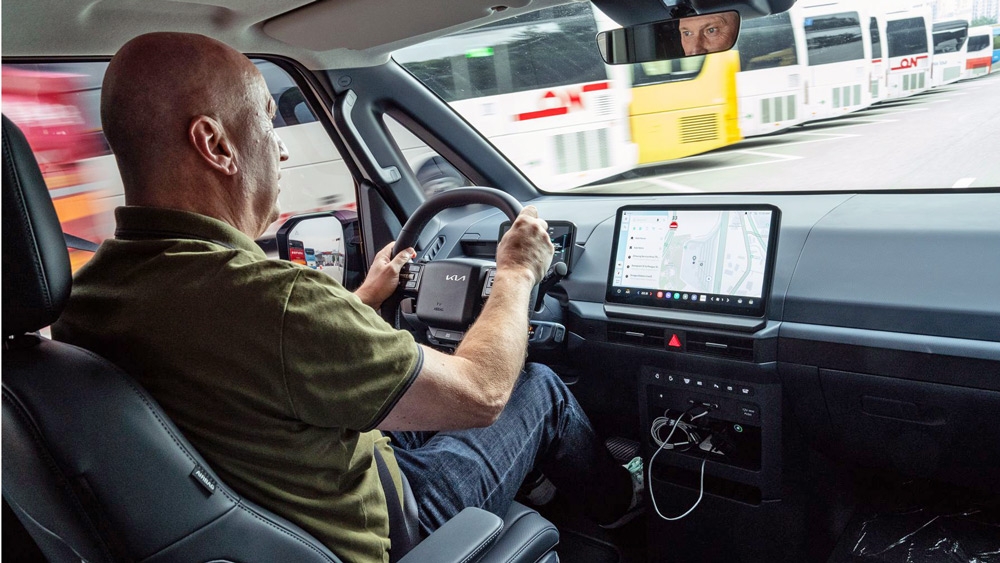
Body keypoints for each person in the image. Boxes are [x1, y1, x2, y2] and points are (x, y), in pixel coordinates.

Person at [52, 32, 641, 562]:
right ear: (216, 144)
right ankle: (624, 513)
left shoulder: (88, 297)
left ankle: (540, 485)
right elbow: (481, 393)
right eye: (267, 120)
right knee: (535, 388)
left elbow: (256, 364)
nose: (281, 150)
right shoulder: (267, 298)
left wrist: (360, 298)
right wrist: (515, 272)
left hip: (278, 497)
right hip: (390, 527)